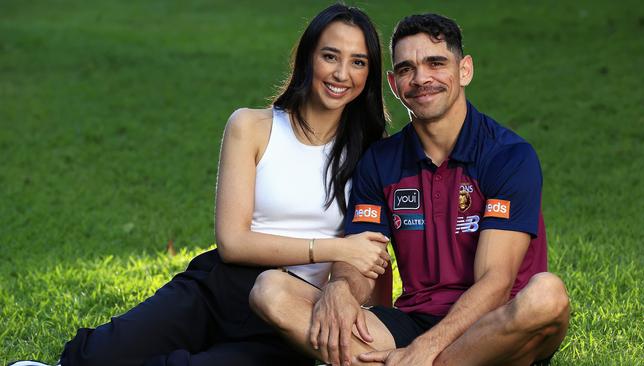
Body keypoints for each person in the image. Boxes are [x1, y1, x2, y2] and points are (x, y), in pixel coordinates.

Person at [8, 4, 390, 366]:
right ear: (308, 57)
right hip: (221, 287)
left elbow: (370, 258)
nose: (342, 74)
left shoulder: (371, 153)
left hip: (288, 311)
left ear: (369, 74)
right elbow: (233, 242)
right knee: (98, 357)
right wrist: (337, 248)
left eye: (358, 62)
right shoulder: (252, 127)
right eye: (330, 56)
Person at [249, 13, 570, 366]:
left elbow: (496, 283)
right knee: (272, 291)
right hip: (413, 321)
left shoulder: (508, 156)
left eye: (436, 63)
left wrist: (427, 348)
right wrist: (340, 287)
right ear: (392, 82)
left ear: (464, 70)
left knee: (547, 295)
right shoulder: (380, 161)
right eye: (406, 69)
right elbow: (361, 254)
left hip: (495, 325)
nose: (421, 79)